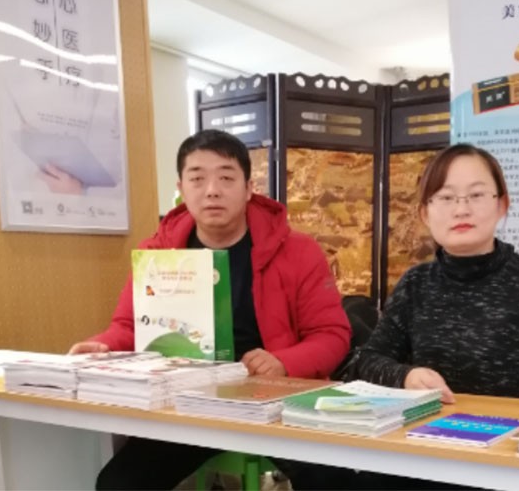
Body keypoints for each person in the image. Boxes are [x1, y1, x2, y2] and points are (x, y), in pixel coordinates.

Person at [69, 129, 352, 490]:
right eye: (198, 178)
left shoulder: (298, 251)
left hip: (278, 400)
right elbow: (130, 325)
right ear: (181, 188)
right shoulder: (159, 253)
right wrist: (104, 346)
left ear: (249, 188)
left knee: (337, 479)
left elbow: (332, 335)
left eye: (226, 178)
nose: (212, 190)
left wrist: (283, 362)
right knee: (118, 484)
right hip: (190, 402)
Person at [349, 143, 519, 489]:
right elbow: (369, 359)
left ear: (502, 205)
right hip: (421, 457)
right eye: (445, 197)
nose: (461, 209)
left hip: (505, 465)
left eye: (476, 195)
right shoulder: (415, 284)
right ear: (425, 213)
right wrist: (406, 375)